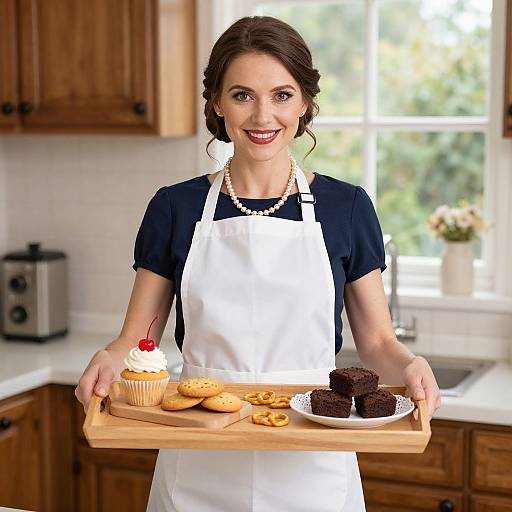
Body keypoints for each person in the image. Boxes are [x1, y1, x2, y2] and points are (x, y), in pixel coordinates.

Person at [75, 15, 441, 512]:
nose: (263, 116)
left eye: (282, 95)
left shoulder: (346, 207)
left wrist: (411, 366)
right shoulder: (175, 207)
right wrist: (107, 362)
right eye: (243, 95)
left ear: (305, 102)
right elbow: (136, 340)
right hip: (198, 458)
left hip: (313, 462)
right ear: (218, 103)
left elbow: (376, 343)